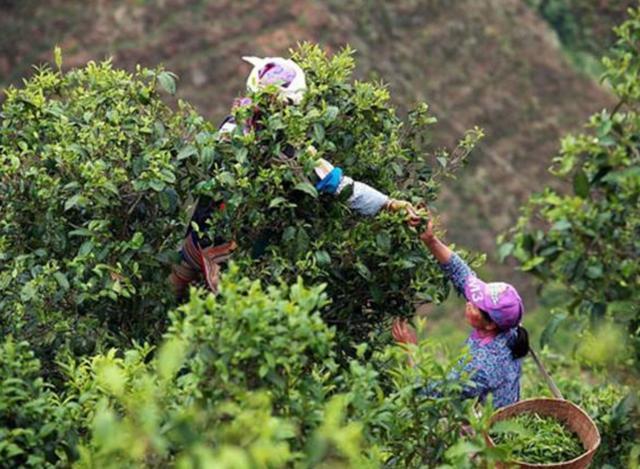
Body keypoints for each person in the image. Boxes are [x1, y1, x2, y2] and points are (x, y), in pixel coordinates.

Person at [170, 56, 420, 296]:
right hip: (232, 255)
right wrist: (389, 204)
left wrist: (388, 204)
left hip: (204, 242)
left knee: (178, 290)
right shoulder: (289, 150)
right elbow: (342, 186)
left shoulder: (234, 128)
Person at [392, 215, 529, 409]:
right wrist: (430, 240)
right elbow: (461, 274)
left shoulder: (483, 365)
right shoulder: (507, 326)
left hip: (495, 432)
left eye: (477, 303)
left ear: (490, 324)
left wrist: (410, 349)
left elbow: (426, 390)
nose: (470, 301)